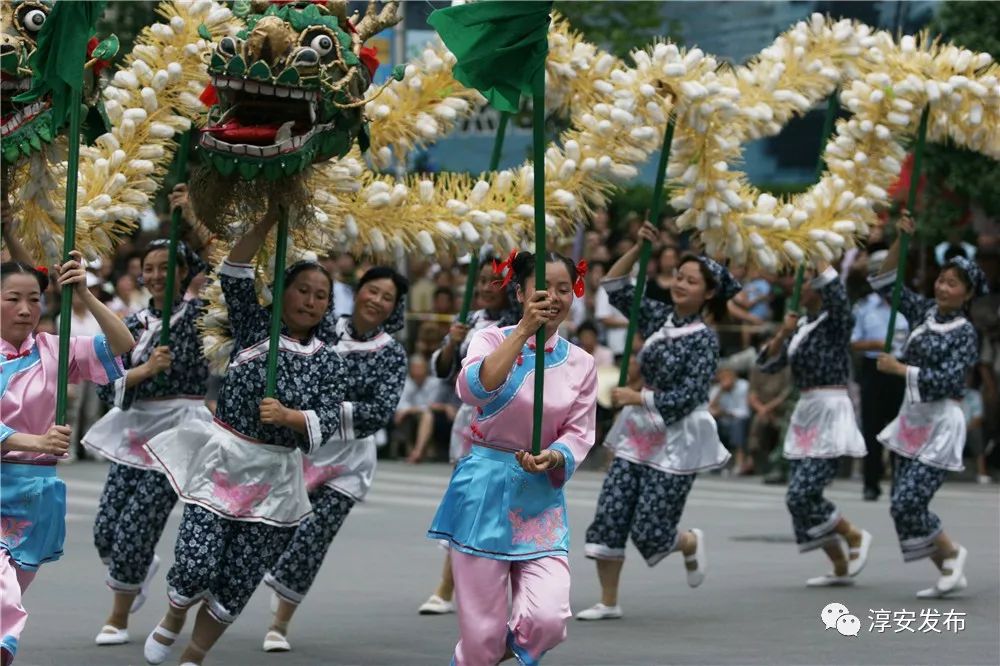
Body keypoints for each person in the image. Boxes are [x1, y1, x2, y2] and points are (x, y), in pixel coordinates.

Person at [141, 204, 347, 666]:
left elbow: (328, 419)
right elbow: (234, 269)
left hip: (275, 479)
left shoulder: (329, 360)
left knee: (237, 579)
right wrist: (269, 217)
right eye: (302, 290)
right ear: (283, 291)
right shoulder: (256, 326)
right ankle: (174, 614)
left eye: (321, 296)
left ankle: (194, 655)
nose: (311, 301)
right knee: (196, 562)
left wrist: (290, 417)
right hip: (224, 459)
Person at [426, 250, 597, 665]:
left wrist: (554, 457)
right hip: (483, 489)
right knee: (481, 635)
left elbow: (580, 431)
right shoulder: (490, 339)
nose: (554, 297)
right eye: (543, 288)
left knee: (547, 620)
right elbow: (473, 389)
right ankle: (479, 653)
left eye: (563, 289)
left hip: (539, 497)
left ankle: (485, 654)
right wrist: (522, 332)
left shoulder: (582, 362)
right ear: (520, 293)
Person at [577, 220, 740, 621]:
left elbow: (690, 396)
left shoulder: (705, 339)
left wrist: (637, 397)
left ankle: (688, 542)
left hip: (679, 437)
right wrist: (638, 247)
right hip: (639, 432)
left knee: (651, 530)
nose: (681, 284)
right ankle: (608, 601)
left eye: (691, 281)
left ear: (708, 293)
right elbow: (614, 285)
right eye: (679, 276)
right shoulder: (657, 317)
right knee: (611, 511)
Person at [261, 267, 409, 653]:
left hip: (348, 461)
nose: (377, 301)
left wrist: (314, 412)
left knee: (314, 537)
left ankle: (279, 624)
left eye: (387, 298)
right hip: (301, 449)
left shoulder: (392, 353)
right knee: (277, 533)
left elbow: (378, 413)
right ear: (356, 292)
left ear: (394, 308)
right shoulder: (323, 328)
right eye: (372, 291)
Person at [1, 256, 133, 666]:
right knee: (3, 601)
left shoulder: (53, 349)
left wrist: (86, 295)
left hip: (34, 497)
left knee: (10, 596)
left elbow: (122, 344)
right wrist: (37, 440)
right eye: (13, 298)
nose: (26, 309)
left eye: (34, 299)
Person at [83, 240, 211, 646]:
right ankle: (135, 568)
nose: (156, 275)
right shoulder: (132, 323)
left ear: (184, 272)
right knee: (106, 529)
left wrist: (196, 221)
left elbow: (225, 275)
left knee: (136, 526)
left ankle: (118, 616)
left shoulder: (204, 318)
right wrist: (145, 370)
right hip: (135, 429)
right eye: (149, 268)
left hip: (179, 433)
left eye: (166, 267)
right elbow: (106, 383)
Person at [870, 212, 984, 598]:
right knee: (899, 504)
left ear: (967, 294)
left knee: (909, 500)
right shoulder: (923, 312)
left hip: (942, 422)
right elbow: (885, 283)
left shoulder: (965, 333)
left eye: (952, 284)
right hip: (912, 419)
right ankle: (949, 569)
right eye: (941, 280)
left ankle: (952, 552)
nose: (943, 287)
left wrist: (900, 368)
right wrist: (899, 239)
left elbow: (949, 381)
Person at [417, 256, 520, 616]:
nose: (485, 288)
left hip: (504, 422)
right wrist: (452, 344)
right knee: (464, 499)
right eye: (481, 281)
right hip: (468, 421)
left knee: (498, 506)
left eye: (495, 281)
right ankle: (450, 585)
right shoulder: (471, 321)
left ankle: (482, 582)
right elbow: (443, 370)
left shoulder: (518, 325)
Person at [758, 263, 872, 586]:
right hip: (806, 410)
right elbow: (767, 364)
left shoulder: (835, 321)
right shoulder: (800, 325)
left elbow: (839, 298)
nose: (798, 285)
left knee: (801, 493)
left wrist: (818, 253)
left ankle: (853, 535)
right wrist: (783, 332)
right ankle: (839, 565)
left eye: (806, 279)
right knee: (798, 498)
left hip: (831, 407)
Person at [851, 249, 908, 501]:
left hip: (899, 368)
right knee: (872, 427)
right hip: (874, 368)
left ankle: (900, 482)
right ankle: (871, 482)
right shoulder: (864, 307)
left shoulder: (907, 307)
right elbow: (853, 342)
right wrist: (875, 344)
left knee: (899, 427)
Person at [394, 355, 448, 463]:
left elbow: (433, 405)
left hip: (433, 415)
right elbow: (401, 406)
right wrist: (413, 410)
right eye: (415, 368)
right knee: (403, 415)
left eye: (420, 368)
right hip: (410, 416)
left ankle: (418, 451)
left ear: (426, 369)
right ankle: (411, 450)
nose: (418, 371)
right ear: (410, 369)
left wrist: (412, 409)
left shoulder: (434, 383)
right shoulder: (404, 382)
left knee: (427, 415)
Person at [709, 366, 751, 473]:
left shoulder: (744, 386)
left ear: (734, 377)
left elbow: (744, 412)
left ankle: (739, 462)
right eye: (722, 378)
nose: (725, 380)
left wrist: (726, 413)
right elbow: (709, 408)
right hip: (723, 420)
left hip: (741, 419)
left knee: (737, 424)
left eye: (728, 377)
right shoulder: (717, 389)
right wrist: (720, 392)